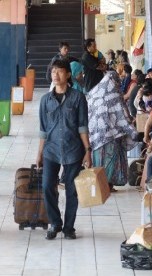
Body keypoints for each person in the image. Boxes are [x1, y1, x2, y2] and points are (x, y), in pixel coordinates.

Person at [37, 60, 91, 240]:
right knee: (46, 186)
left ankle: (69, 227)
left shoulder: (78, 97)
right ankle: (55, 223)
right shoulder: (45, 100)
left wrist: (88, 150)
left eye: (59, 71)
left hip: (73, 149)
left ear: (68, 74)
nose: (55, 75)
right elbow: (43, 130)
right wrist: (39, 154)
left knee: (72, 190)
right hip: (51, 150)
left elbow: (83, 126)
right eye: (53, 72)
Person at [87, 71, 138, 192]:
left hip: (96, 134)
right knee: (110, 160)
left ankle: (100, 184)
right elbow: (122, 113)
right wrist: (132, 129)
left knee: (99, 160)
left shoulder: (94, 92)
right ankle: (107, 184)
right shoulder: (114, 94)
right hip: (111, 135)